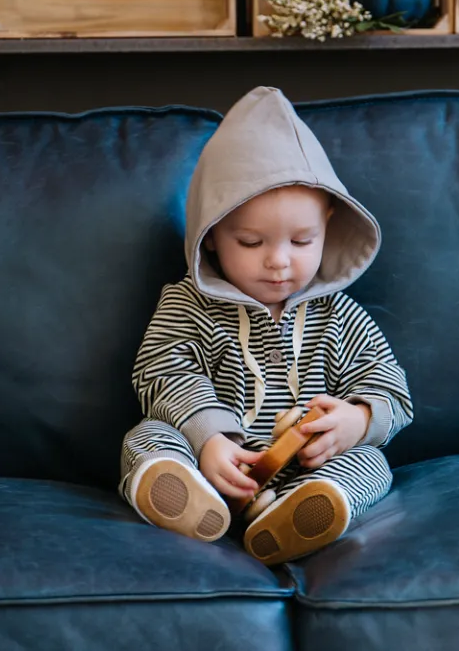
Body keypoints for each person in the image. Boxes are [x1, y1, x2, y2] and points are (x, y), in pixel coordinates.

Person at [119, 86, 412, 566]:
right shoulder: (187, 303)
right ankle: (183, 499)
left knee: (372, 463)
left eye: (302, 240)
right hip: (206, 464)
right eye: (251, 242)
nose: (279, 262)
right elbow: (159, 372)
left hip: (304, 473)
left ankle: (291, 516)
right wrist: (210, 438)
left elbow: (391, 391)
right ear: (212, 236)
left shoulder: (339, 315)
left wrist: (355, 421)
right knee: (147, 435)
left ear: (328, 225)